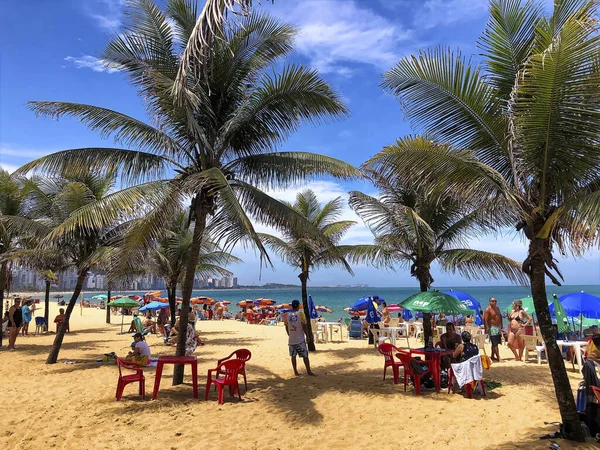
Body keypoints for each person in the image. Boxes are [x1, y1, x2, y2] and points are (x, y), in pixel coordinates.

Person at [284, 300, 315, 376]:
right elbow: (304, 326)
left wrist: (289, 334)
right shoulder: (301, 314)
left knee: (293, 356)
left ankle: (295, 371)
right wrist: (307, 336)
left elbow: (286, 326)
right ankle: (308, 371)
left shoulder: (287, 315)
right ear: (298, 306)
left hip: (291, 339)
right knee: (305, 356)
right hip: (300, 339)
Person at [484, 297, 504, 362]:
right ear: (489, 302)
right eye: (492, 301)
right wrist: (486, 329)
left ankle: (492, 355)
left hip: (497, 327)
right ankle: (499, 358)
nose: (494, 302)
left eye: (495, 301)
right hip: (492, 328)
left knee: (495, 343)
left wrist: (502, 325)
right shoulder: (488, 310)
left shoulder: (497, 308)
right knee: (495, 343)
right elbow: (485, 320)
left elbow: (500, 316)